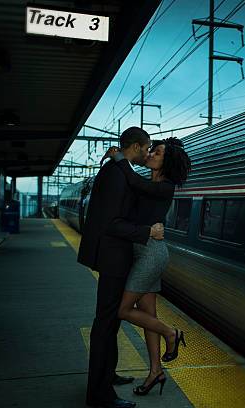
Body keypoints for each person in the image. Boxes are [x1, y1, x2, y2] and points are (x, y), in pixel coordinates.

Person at [78, 127, 165, 408]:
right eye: (147, 147)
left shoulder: (117, 170)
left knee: (111, 322)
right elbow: (111, 223)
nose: (148, 152)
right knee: (105, 324)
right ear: (137, 147)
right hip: (113, 258)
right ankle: (99, 395)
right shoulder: (116, 174)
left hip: (113, 256)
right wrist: (146, 232)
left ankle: (107, 376)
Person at [103, 137, 190, 396]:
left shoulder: (166, 186)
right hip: (142, 252)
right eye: (152, 150)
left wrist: (119, 158)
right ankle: (155, 372)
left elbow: (133, 181)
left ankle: (171, 333)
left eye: (158, 152)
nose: (151, 154)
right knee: (147, 317)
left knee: (123, 310)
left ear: (167, 161)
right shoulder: (150, 184)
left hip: (151, 255)